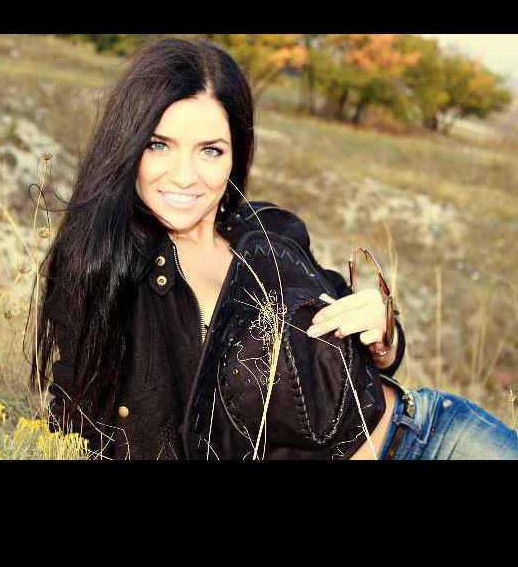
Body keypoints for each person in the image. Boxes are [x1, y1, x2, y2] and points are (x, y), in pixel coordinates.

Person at [30, 37, 518, 460]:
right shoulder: (103, 265)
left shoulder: (268, 232)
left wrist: (382, 334)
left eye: (210, 150)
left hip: (430, 437)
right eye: (159, 145)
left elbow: (367, 354)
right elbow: (78, 425)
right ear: (128, 143)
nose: (184, 175)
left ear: (235, 155)